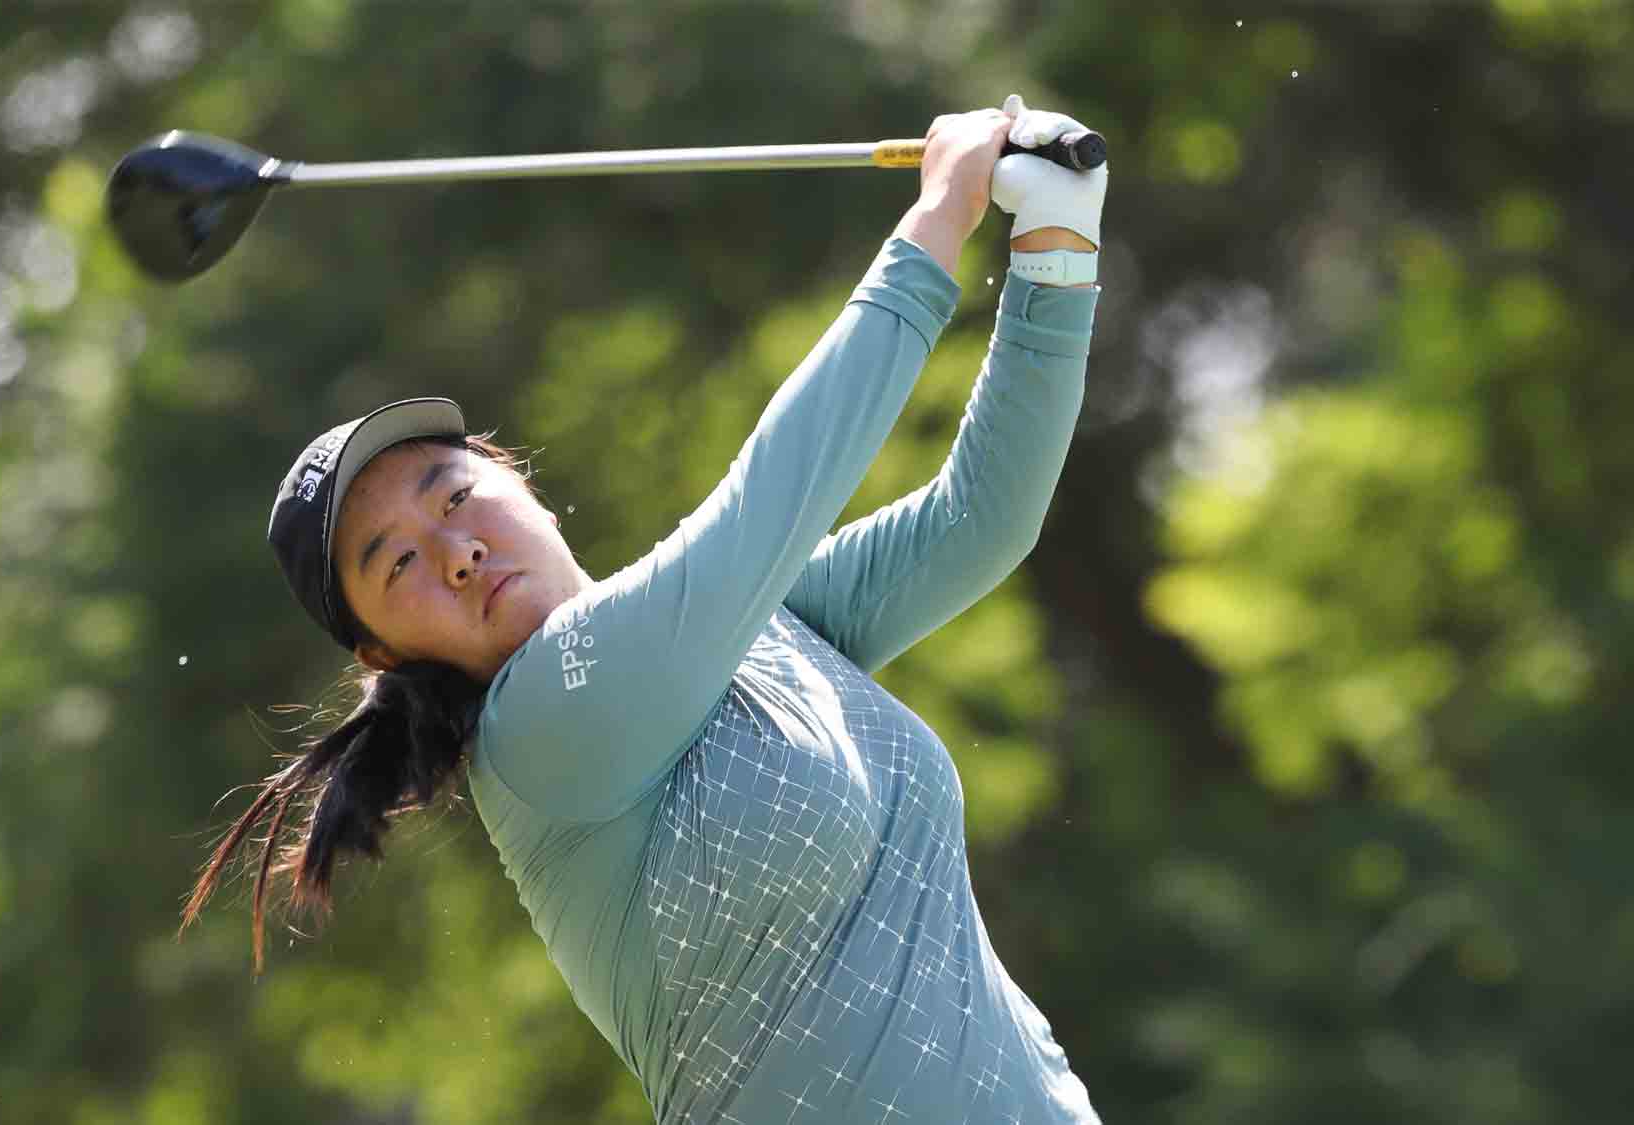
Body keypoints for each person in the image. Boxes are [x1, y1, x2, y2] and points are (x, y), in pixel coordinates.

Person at [186, 95, 1110, 1124]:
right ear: (383, 652)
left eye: (454, 495)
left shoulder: (755, 626)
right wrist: (938, 219)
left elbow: (979, 521)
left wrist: (1056, 248)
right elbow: (764, 508)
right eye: (397, 561)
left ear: (517, 478)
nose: (456, 552)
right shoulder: (539, 729)